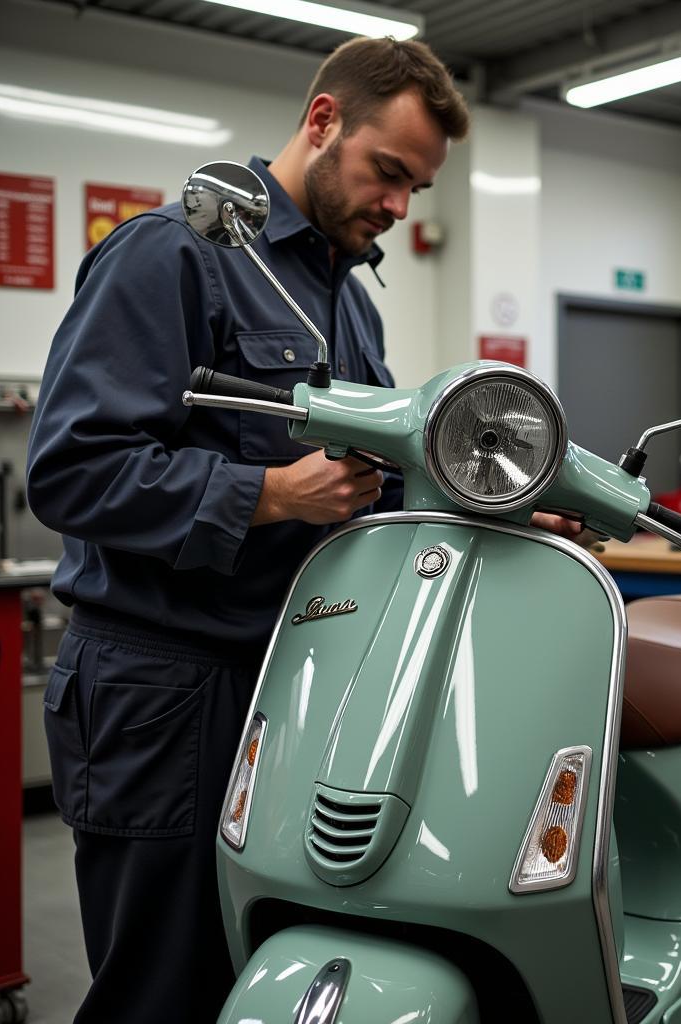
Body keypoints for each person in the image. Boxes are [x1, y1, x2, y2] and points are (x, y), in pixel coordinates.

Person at [26, 36, 472, 1023]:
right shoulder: (172, 254)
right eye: (387, 173)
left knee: (262, 977)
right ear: (322, 123)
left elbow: (362, 486)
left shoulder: (350, 309)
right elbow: (68, 469)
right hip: (163, 691)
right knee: (164, 991)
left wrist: (480, 504)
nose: (398, 206)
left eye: (416, 190)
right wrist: (267, 495)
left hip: (286, 689)